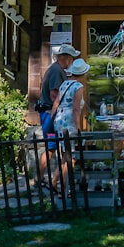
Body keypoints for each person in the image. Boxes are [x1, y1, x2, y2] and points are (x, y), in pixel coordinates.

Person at [34, 43, 80, 184]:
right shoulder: (57, 71)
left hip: (49, 114)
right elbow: (55, 95)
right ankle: (42, 178)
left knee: (52, 147)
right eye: (71, 58)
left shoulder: (55, 69)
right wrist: (59, 115)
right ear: (65, 58)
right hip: (50, 115)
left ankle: (43, 177)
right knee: (52, 147)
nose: (71, 61)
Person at [49, 57, 90, 192]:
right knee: (71, 158)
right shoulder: (78, 87)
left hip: (59, 120)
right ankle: (64, 187)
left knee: (66, 155)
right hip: (69, 122)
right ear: (83, 74)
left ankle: (54, 181)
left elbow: (56, 103)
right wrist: (78, 127)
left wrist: (52, 120)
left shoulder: (65, 84)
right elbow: (76, 109)